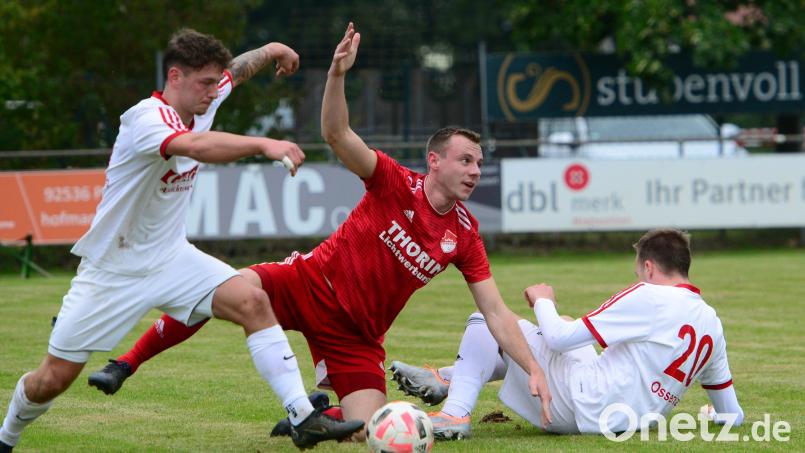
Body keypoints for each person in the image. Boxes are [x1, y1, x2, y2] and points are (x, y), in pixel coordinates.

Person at [84, 22, 554, 440]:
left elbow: (495, 312)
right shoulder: (394, 182)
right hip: (309, 283)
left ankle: (315, 411)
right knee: (220, 290)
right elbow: (337, 135)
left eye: (479, 164)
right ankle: (126, 362)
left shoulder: (465, 234)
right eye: (465, 160)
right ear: (435, 161)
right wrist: (336, 75)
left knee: (368, 432)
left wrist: (532, 366)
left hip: (357, 335)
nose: (475, 171)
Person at [0, 29, 363, 453]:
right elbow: (195, 145)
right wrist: (264, 143)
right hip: (114, 270)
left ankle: (305, 418)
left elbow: (236, 72)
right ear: (175, 76)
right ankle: (6, 438)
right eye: (204, 84)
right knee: (52, 380)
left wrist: (273, 50)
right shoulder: (146, 119)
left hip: (172, 258)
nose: (214, 91)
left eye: (215, 83)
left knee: (252, 301)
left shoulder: (205, 96)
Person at [391, 229, 744, 439]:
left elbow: (559, 338)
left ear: (649, 267)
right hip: (627, 421)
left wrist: (543, 301)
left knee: (485, 322)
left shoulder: (649, 295)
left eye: (639, 270)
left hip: (582, 406)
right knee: (562, 327)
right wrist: (714, 418)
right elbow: (732, 414)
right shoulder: (712, 323)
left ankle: (454, 411)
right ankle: (449, 378)